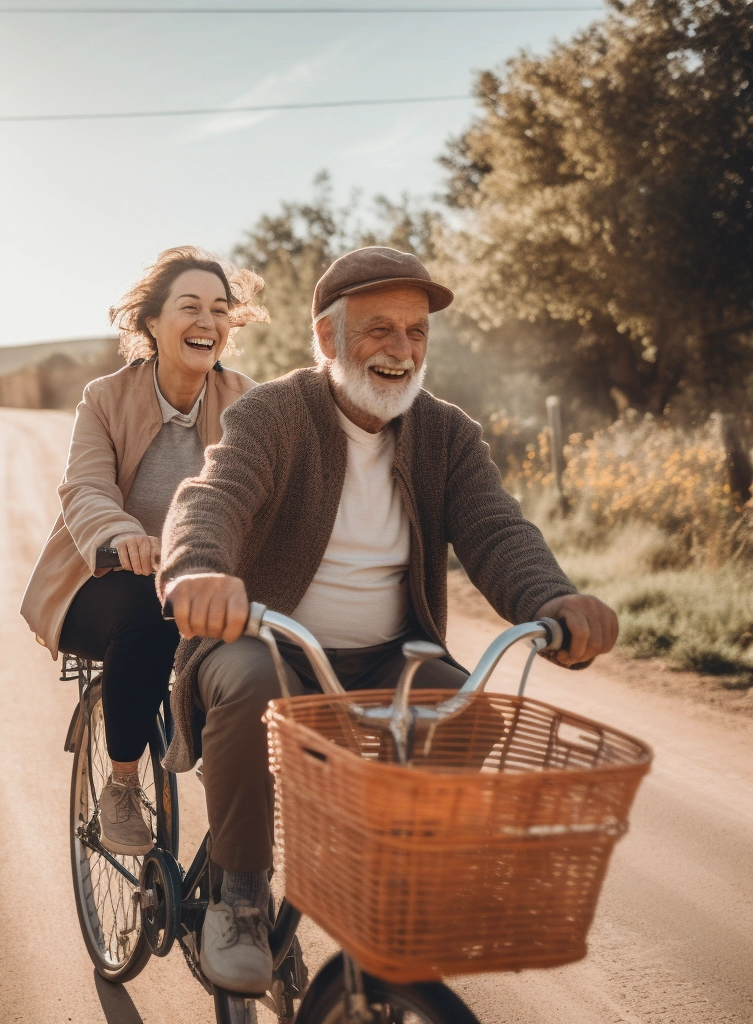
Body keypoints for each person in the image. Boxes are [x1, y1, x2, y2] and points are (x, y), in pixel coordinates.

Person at [155, 246, 620, 994]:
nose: (402, 350)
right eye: (379, 330)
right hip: (274, 647)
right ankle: (240, 896)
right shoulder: (271, 414)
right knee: (246, 678)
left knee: (464, 710)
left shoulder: (446, 433)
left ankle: (396, 893)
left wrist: (553, 600)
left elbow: (497, 530)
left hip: (388, 660)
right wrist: (198, 570)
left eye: (416, 332)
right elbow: (211, 497)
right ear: (328, 338)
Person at [20, 246, 266, 856]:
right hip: (105, 581)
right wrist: (120, 533)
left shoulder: (248, 400)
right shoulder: (105, 398)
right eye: (190, 307)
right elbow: (85, 486)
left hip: (205, 587)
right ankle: (124, 784)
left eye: (219, 309)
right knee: (146, 607)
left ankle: (235, 888)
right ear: (152, 323)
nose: (207, 321)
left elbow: (274, 493)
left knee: (271, 649)